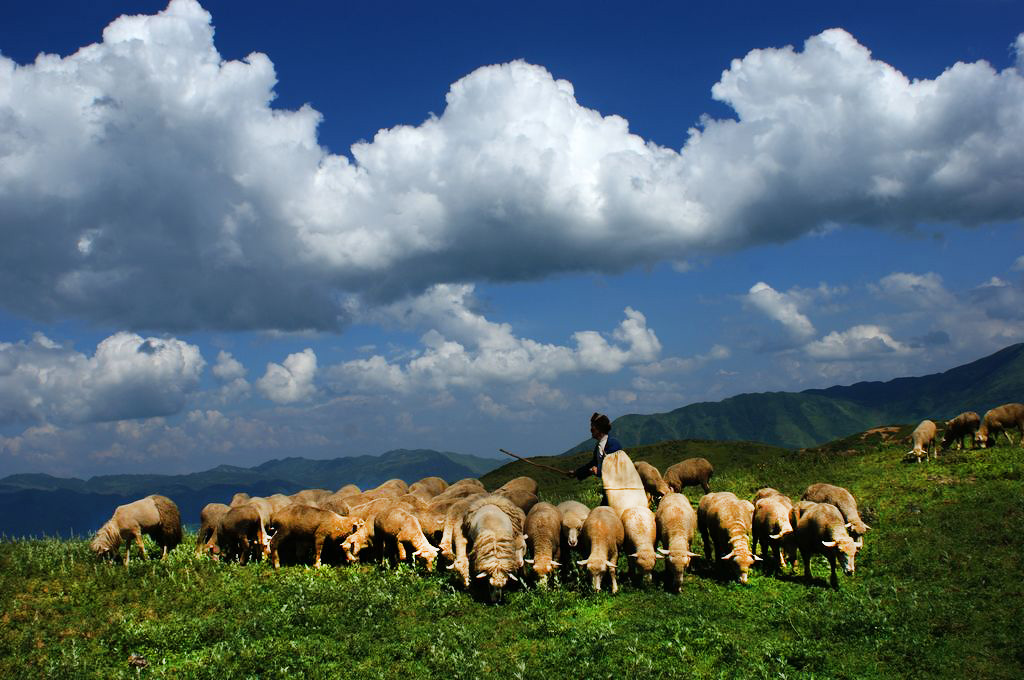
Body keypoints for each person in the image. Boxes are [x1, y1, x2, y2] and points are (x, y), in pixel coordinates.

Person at [573, 413, 623, 480]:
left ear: (600, 429)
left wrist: (598, 471)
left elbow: (614, 467)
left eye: (592, 429)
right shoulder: (599, 445)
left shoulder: (613, 444)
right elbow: (593, 464)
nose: (591, 431)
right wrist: (576, 473)